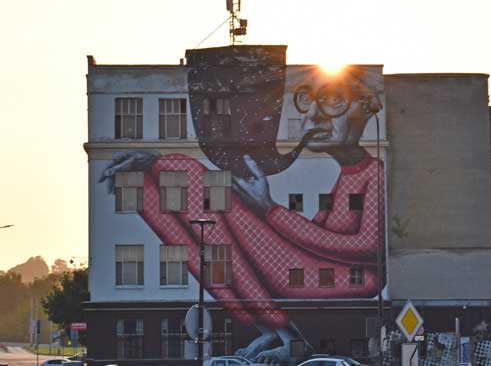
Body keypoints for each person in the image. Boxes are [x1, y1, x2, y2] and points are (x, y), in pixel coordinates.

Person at [100, 70, 385, 363]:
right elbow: (314, 238)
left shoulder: (373, 173)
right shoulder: (346, 178)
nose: (311, 118)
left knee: (194, 178)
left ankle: (286, 336)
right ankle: (280, 333)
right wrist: (269, 215)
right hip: (313, 270)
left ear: (363, 112)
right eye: (306, 104)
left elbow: (368, 248)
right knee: (190, 234)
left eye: (333, 102)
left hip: (348, 279)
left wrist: (269, 210)